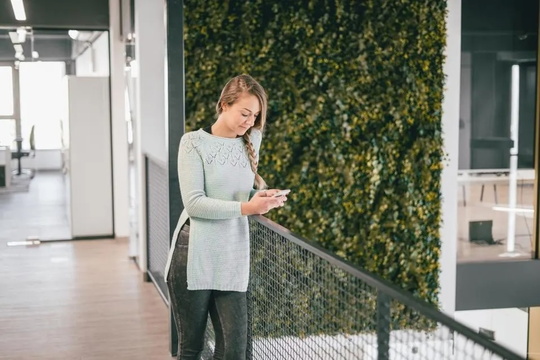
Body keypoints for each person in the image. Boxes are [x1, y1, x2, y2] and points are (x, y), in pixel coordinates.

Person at [164, 74, 288, 360]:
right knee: (191, 349)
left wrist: (263, 198)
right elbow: (194, 204)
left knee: (234, 350)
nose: (250, 121)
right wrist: (247, 208)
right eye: (245, 113)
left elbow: (239, 193)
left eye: (255, 115)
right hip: (192, 253)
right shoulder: (193, 143)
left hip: (231, 253)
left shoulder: (252, 139)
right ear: (223, 105)